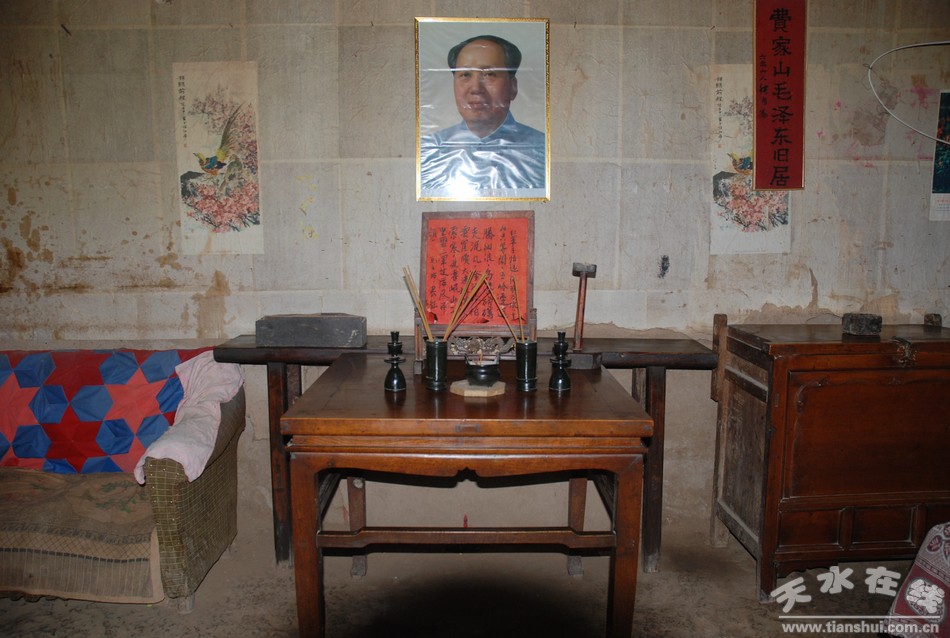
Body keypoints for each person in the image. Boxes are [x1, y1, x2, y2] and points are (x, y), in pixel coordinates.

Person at [420, 34, 546, 198]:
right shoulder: (430, 151)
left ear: (513, 87)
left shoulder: (542, 151)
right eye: (465, 75)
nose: (476, 88)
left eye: (489, 74)